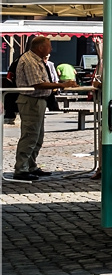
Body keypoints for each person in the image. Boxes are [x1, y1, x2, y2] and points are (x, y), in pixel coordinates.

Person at [12, 37, 65, 180]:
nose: (51, 49)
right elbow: (37, 83)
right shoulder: (29, 61)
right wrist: (60, 85)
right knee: (30, 135)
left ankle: (31, 166)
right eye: (49, 46)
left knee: (37, 136)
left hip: (38, 101)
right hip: (31, 101)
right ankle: (21, 169)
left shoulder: (36, 59)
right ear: (41, 48)